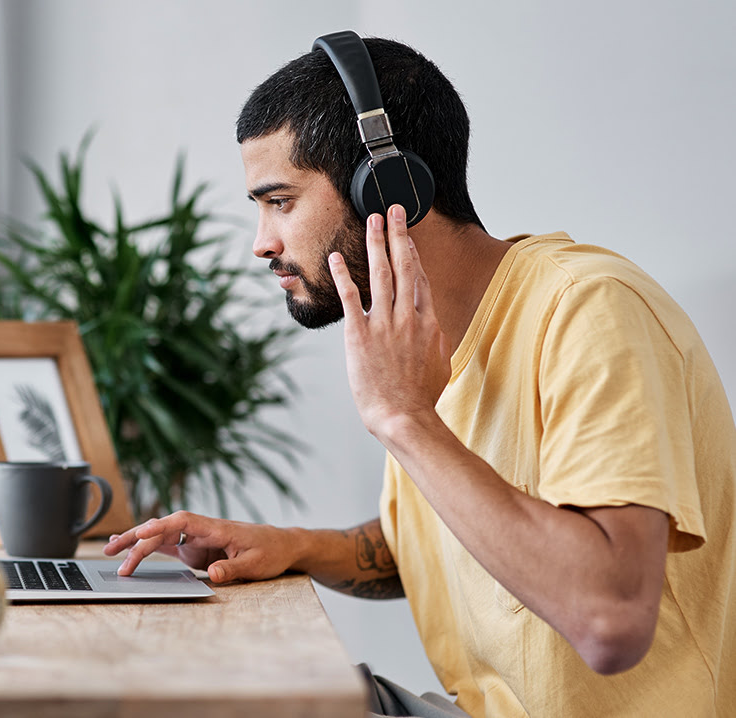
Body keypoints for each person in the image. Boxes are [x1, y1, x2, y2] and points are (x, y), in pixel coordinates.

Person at [104, 33, 736, 718]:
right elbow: (450, 536)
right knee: (186, 684)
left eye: (280, 201)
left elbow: (610, 619)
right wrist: (295, 546)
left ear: (387, 189)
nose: (262, 242)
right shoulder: (421, 338)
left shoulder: (591, 312)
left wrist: (407, 421)